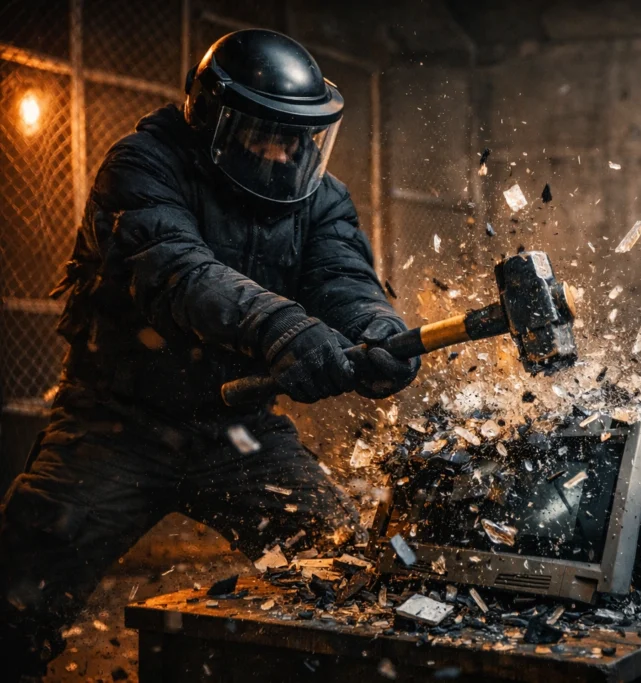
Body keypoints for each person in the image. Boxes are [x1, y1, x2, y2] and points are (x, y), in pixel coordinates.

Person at [0, 29, 419, 677]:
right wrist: (284, 329)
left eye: (296, 137)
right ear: (214, 117)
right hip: (117, 425)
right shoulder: (143, 165)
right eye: (266, 132)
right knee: (17, 597)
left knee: (342, 576)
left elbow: (343, 280)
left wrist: (377, 330)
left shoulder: (320, 196)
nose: (284, 153)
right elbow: (176, 272)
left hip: (241, 438)